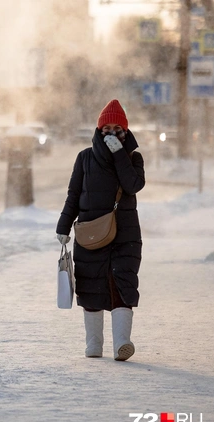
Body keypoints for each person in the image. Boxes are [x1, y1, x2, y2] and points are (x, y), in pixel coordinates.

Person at [56, 99, 145, 361]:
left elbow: (133, 185)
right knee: (91, 287)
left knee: (122, 284)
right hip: (90, 233)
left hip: (125, 234)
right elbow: (73, 195)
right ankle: (94, 345)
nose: (111, 132)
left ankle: (122, 344)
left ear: (126, 131)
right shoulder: (84, 158)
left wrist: (119, 154)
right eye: (106, 127)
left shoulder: (133, 158)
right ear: (98, 129)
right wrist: (63, 226)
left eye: (118, 128)